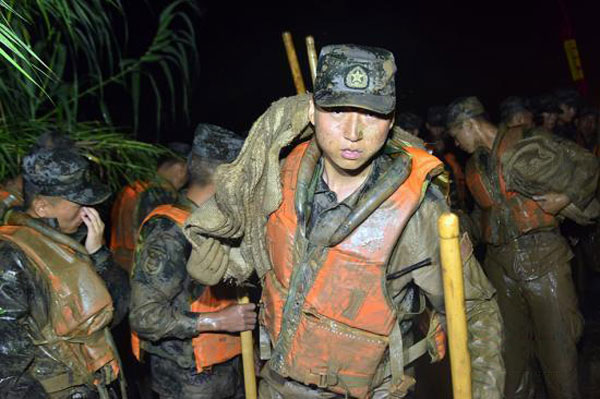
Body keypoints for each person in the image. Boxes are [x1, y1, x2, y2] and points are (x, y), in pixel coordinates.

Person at [184, 44, 504, 399]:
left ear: (392, 120)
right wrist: (222, 263)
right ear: (311, 111)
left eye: (371, 115)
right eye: (337, 111)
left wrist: (485, 390)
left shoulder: (417, 212)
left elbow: (474, 307)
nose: (353, 131)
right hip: (276, 384)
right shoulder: (276, 179)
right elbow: (269, 262)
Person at [446, 96, 594, 399]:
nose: (456, 144)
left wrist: (565, 198)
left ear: (469, 125)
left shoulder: (527, 140)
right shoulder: (474, 164)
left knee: (559, 353)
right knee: (510, 358)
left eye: (455, 135)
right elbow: (482, 216)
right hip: (500, 266)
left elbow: (587, 166)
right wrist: (456, 226)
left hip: (544, 256)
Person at [129, 124, 256, 399]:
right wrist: (215, 321)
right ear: (228, 179)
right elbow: (144, 316)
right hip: (188, 379)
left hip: (230, 366)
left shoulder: (223, 225)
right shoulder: (169, 232)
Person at [0, 146, 129, 398]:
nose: (87, 211)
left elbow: (118, 312)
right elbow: (6, 363)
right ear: (41, 206)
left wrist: (98, 254)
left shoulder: (67, 243)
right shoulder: (11, 255)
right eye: (79, 203)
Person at [109, 142, 190, 271]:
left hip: (116, 266)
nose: (186, 181)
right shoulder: (163, 195)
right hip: (140, 271)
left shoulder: (132, 189)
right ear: (181, 169)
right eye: (188, 174)